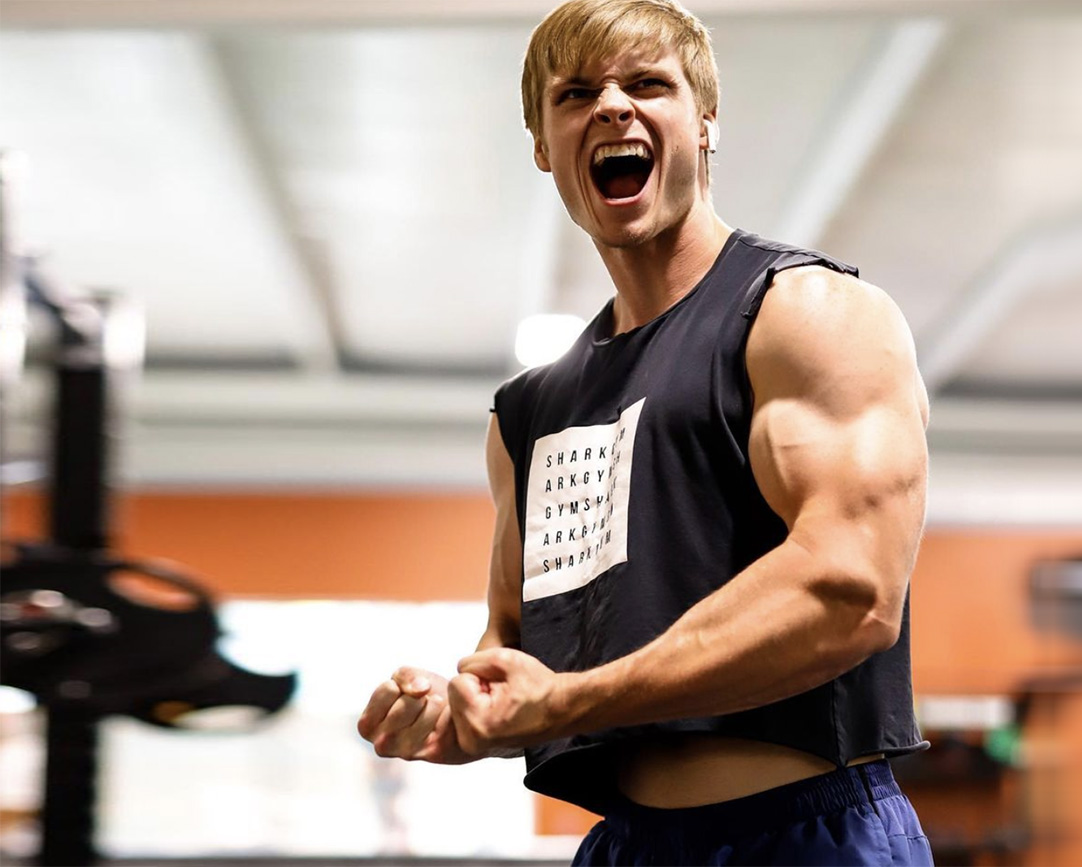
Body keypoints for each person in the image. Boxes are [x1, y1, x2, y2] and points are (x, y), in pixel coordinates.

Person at [357, 1, 934, 863]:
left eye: (648, 84)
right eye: (578, 92)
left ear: (704, 126)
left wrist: (568, 702)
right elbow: (514, 637)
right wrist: (462, 710)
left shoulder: (803, 315)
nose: (614, 107)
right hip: (629, 844)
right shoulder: (529, 411)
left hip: (808, 832)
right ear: (544, 145)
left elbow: (847, 592)